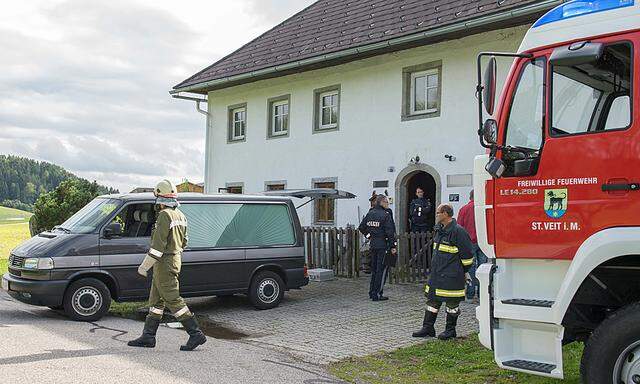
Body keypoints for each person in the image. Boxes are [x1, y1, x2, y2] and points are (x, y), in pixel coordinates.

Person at [128, 179, 207, 351]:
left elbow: (157, 248)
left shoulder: (164, 215)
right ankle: (148, 337)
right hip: (174, 259)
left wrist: (143, 267)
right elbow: (185, 242)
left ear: (159, 197)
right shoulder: (181, 215)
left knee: (173, 299)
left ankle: (195, 334)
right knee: (156, 301)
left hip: (164, 262)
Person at [412, 204, 474, 340]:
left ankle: (450, 330)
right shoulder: (440, 230)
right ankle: (428, 328)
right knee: (432, 302)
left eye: (438, 212)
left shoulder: (459, 232)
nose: (436, 215)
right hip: (437, 274)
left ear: (446, 214)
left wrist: (461, 271)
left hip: (452, 276)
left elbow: (468, 257)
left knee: (452, 304)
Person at [358, 195, 396, 301]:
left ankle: (372, 292)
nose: (388, 205)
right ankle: (378, 293)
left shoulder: (370, 213)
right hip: (384, 246)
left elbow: (362, 227)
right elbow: (390, 232)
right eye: (387, 203)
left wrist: (370, 236)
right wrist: (393, 246)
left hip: (373, 245)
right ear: (382, 202)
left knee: (374, 270)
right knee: (382, 270)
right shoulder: (385, 215)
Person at [457, 190, 487, 300]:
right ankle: (481, 294)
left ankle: (470, 294)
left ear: (470, 197)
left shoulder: (464, 209)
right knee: (483, 268)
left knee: (470, 268)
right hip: (483, 242)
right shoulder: (483, 208)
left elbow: (459, 227)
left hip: (469, 243)